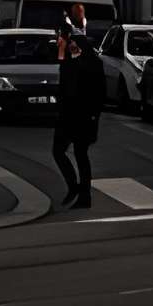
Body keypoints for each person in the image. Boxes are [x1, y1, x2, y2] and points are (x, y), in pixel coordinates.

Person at [51, 31, 103, 208]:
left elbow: (98, 94)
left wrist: (93, 115)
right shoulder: (71, 63)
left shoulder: (89, 64)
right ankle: (77, 188)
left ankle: (82, 192)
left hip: (81, 116)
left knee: (78, 154)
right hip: (72, 115)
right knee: (65, 152)